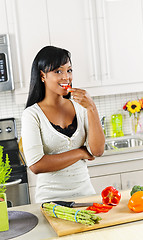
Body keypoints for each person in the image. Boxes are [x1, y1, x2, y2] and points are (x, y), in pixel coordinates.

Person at [21, 46, 105, 203]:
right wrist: (80, 153)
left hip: (86, 196)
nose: (66, 77)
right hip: (51, 202)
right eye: (58, 71)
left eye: (69, 70)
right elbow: (36, 165)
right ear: (42, 76)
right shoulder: (32, 115)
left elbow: (97, 150)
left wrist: (92, 108)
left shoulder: (81, 107)